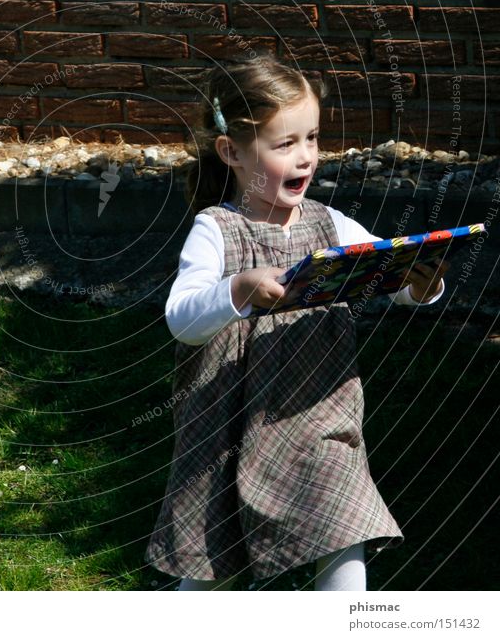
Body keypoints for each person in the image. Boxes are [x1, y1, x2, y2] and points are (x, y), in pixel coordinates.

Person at [145, 53, 449, 592]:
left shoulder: (330, 223)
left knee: (343, 524)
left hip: (320, 416)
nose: (305, 157)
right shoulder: (217, 229)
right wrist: (236, 289)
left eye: (311, 138)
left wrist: (418, 286)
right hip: (230, 423)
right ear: (232, 152)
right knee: (212, 553)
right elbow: (181, 319)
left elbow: (382, 267)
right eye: (285, 144)